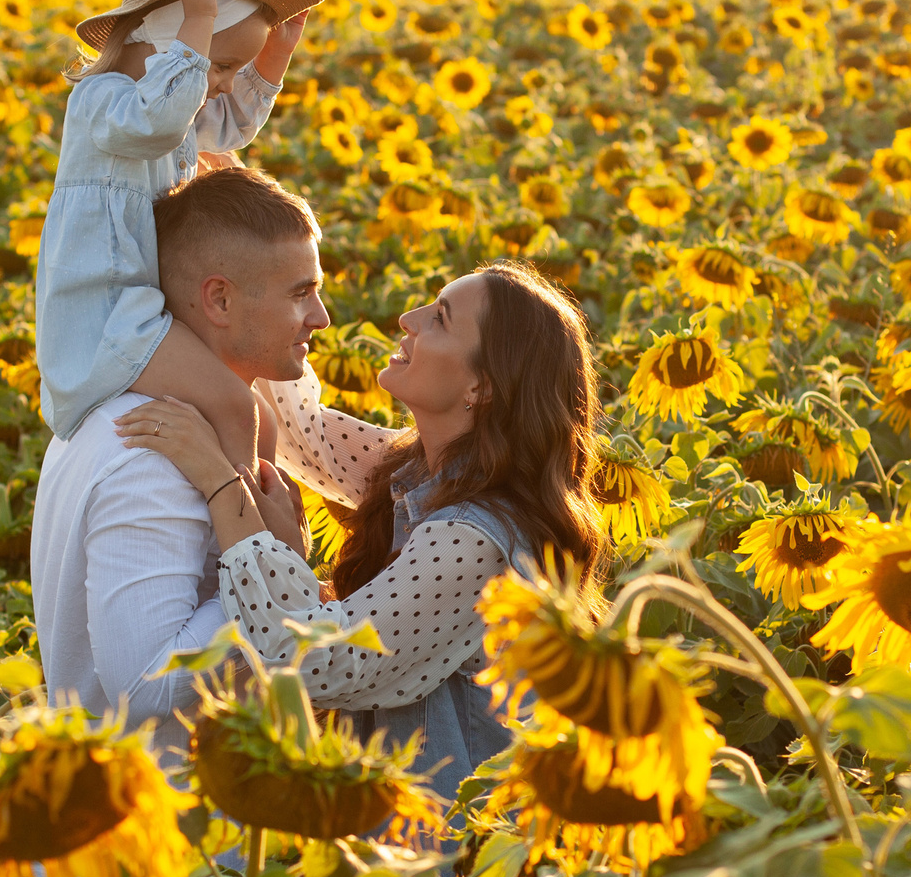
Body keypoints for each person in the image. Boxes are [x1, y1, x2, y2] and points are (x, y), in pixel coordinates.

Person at [115, 261, 606, 796]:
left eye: (439, 319)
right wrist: (246, 207)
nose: (407, 318)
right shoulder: (420, 467)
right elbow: (306, 436)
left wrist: (217, 480)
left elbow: (317, 661)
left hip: (449, 854)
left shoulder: (474, 542)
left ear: (481, 387)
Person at [27, 166, 329, 749]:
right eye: (301, 294)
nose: (321, 318)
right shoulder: (154, 456)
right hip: (176, 809)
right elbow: (147, 683)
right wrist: (280, 568)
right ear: (218, 298)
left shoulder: (132, 411)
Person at [40, 0, 321, 480]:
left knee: (263, 422)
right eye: (219, 66)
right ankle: (241, 538)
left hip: (150, 311)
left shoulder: (171, 105)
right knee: (238, 410)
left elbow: (226, 125)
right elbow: (162, 118)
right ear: (167, 39)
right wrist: (200, 20)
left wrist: (273, 57)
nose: (219, 85)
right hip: (107, 318)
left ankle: (258, 534)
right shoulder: (105, 101)